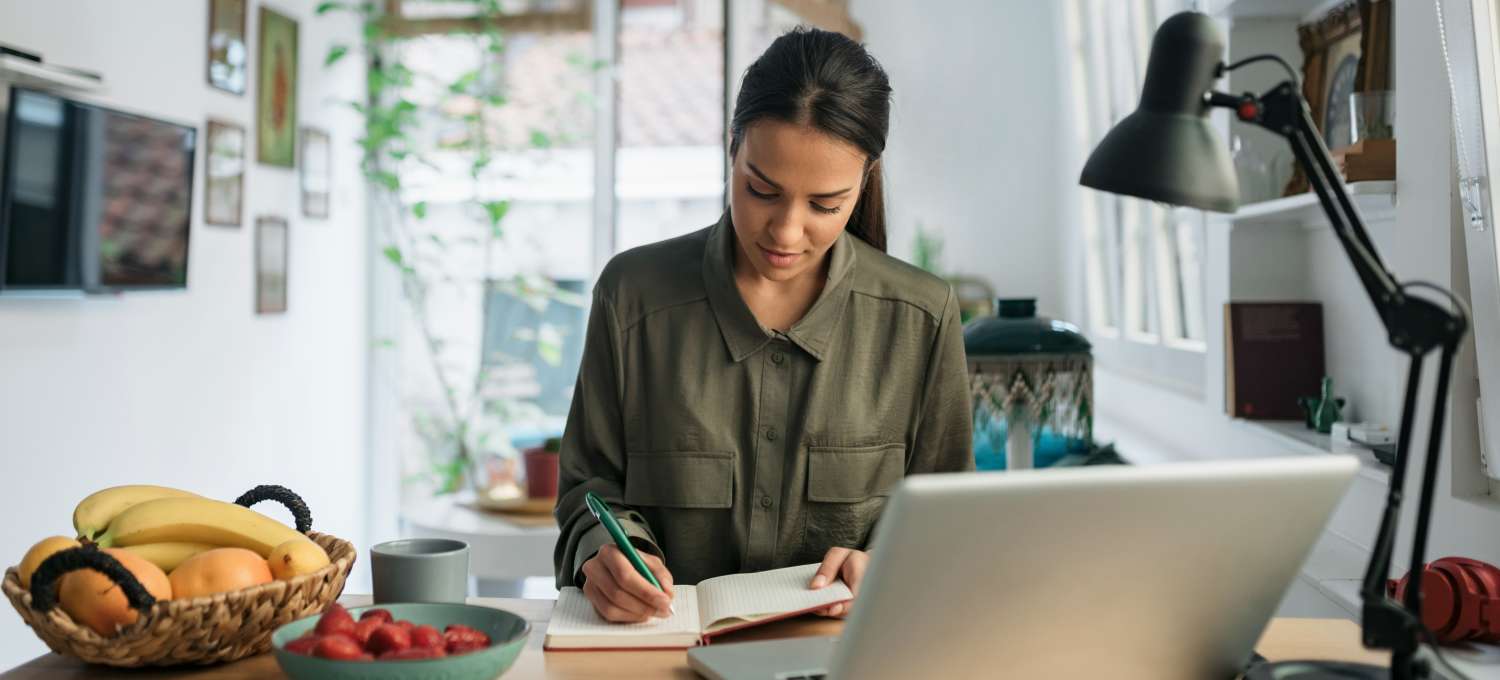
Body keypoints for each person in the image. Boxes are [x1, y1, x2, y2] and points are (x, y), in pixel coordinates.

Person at [553, 26, 973, 624]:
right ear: (732, 149)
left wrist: (890, 563)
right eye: (761, 190)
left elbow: (950, 522)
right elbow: (586, 490)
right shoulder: (633, 297)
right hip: (659, 653)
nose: (785, 231)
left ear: (865, 180)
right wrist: (609, 555)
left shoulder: (921, 318)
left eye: (825, 205)